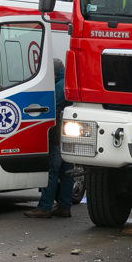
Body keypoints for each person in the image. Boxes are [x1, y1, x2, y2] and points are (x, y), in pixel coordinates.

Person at [25, 59, 74, 218]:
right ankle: (64, 206)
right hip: (69, 133)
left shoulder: (59, 86)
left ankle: (45, 207)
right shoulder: (69, 81)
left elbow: (50, 106)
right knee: (67, 171)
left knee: (52, 170)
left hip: (57, 133)